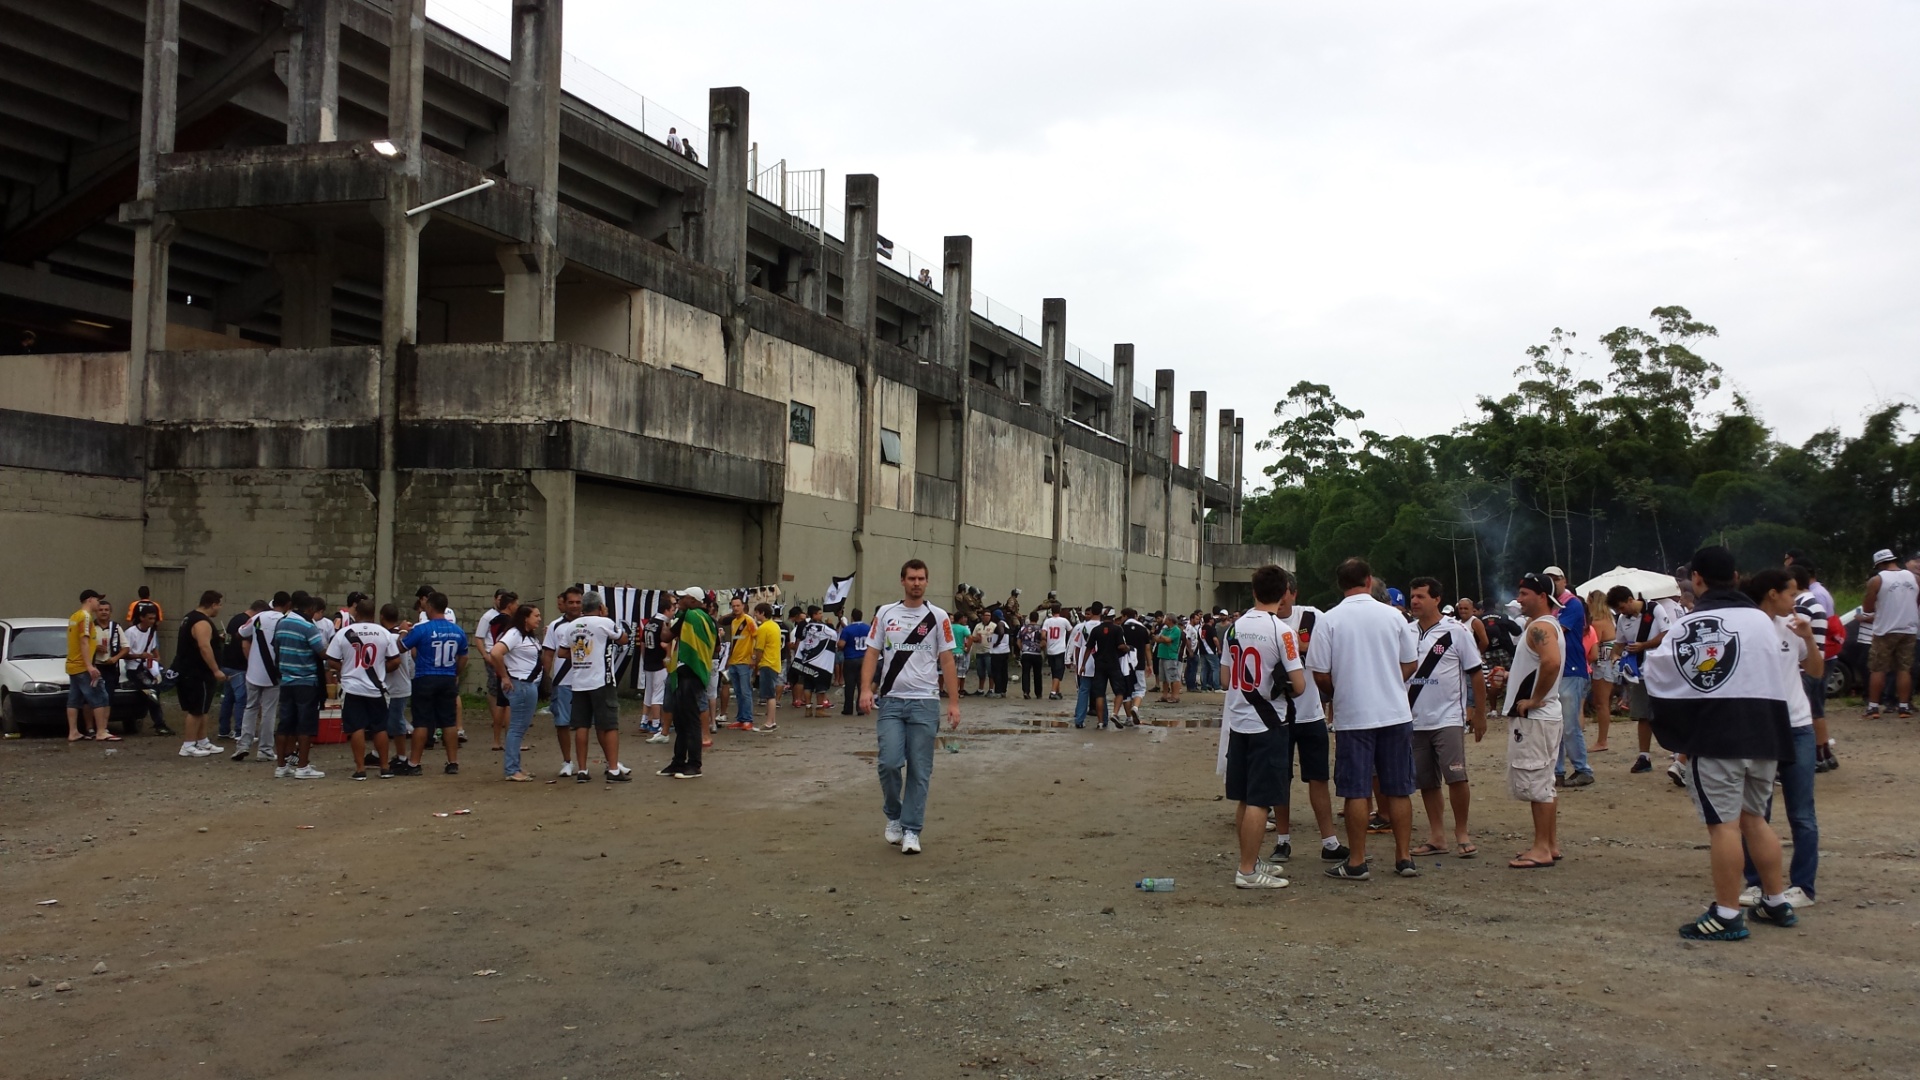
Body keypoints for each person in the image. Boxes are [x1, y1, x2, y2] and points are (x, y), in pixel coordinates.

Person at [1645, 546, 1798, 940]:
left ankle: (1728, 913)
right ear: (1735, 575)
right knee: (1755, 819)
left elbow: (1660, 675)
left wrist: (1682, 730)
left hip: (1718, 735)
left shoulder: (1690, 623)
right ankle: (1776, 900)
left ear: (1696, 579)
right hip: (1764, 730)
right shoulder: (1762, 620)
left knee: (1724, 827)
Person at [1306, 557, 1420, 882]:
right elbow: (1410, 664)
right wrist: (1388, 681)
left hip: (1354, 715)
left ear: (1340, 584)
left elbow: (1320, 673)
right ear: (1369, 581)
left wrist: (1343, 688)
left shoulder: (1329, 620)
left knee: (1356, 790)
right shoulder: (1393, 617)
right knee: (1398, 788)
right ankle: (1404, 857)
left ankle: (1357, 861)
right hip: (1395, 712)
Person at [859, 559, 962, 855]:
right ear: (902, 581)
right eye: (911, 578)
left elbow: (947, 660)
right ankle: (894, 815)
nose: (916, 583)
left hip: (925, 702)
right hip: (891, 701)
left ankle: (912, 830)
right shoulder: (886, 613)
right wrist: (866, 689)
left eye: (921, 578)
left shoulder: (938, 616)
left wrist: (953, 703)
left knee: (919, 770)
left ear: (927, 582)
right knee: (889, 763)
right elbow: (872, 653)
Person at [1736, 568, 1821, 911]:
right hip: (1762, 728)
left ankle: (1803, 885)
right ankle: (1757, 883)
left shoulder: (1794, 626)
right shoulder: (1747, 626)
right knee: (1757, 812)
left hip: (1798, 726)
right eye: (1790, 593)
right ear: (1772, 594)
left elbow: (1815, 672)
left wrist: (1810, 638)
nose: (1795, 600)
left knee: (1802, 812)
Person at [1221, 565, 1307, 889]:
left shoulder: (1233, 627)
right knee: (1261, 799)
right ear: (1285, 592)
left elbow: (1225, 679)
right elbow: (1298, 684)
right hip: (1269, 722)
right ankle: (1246, 870)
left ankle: (1251, 859)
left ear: (1253, 590)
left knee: (1245, 797)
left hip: (1239, 720)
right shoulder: (1282, 631)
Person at [1405, 577, 1485, 858]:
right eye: (1412, 596)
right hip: (1414, 718)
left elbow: (1475, 672)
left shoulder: (1457, 632)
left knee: (1456, 776)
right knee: (1426, 781)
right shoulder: (1406, 632)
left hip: (1448, 716)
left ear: (1437, 599)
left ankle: (1462, 832)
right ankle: (1437, 836)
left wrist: (1480, 713)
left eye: (1421, 596)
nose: (1414, 601)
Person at [1272, 576, 1343, 865]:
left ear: (1293, 593)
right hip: (1277, 715)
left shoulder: (1312, 616)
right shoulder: (1265, 622)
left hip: (1311, 712)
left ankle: (1329, 841)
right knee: (1280, 779)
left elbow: (1327, 648)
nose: (1279, 601)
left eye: (1283, 594)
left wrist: (1301, 649)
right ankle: (1282, 841)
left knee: (1318, 778)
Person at [1505, 575, 1565, 869]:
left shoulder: (1540, 626)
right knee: (1545, 781)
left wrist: (1535, 699)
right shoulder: (1546, 625)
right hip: (1545, 716)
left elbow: (1551, 662)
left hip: (1536, 718)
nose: (1519, 598)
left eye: (1524, 593)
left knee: (1536, 780)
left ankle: (1541, 847)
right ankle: (1549, 844)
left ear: (1542, 596)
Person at [1609, 586, 1683, 779]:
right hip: (1638, 672)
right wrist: (1616, 657)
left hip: (1660, 668)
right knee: (1643, 714)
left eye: (1621, 607)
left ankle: (1678, 753)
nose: (1621, 612)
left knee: (1667, 711)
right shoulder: (1623, 620)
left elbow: (1667, 634)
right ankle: (1644, 756)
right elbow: (1618, 643)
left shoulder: (1655, 609)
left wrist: (1644, 645)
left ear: (1629, 599)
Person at [327, 596, 401, 781]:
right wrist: (381, 670)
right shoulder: (383, 633)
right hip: (377, 688)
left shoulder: (344, 632)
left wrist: (345, 669)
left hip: (352, 688)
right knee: (380, 728)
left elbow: (331, 660)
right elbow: (395, 660)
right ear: (374, 614)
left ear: (357, 612)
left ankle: (360, 769)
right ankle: (385, 767)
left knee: (357, 728)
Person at [563, 592, 631, 782]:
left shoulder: (571, 626)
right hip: (601, 681)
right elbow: (623, 638)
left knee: (582, 725)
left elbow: (564, 651)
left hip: (578, 682)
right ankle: (613, 770)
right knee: (609, 725)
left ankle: (583, 770)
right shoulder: (605, 622)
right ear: (600, 607)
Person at [400, 591, 469, 776]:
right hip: (447, 677)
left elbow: (402, 646)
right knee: (449, 722)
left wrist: (403, 631)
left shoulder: (422, 629)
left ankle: (414, 763)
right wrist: (455, 672)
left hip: (425, 677)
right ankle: (453, 762)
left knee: (422, 721)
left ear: (429, 607)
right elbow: (464, 656)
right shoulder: (458, 631)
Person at [1543, 566, 1595, 788]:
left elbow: (1555, 631)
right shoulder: (1554, 606)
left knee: (1570, 724)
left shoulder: (1571, 603)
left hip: (1571, 669)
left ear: (1564, 580)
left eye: (1556, 578)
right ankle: (1559, 770)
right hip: (1561, 670)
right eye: (1549, 580)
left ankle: (1582, 769)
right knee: (1559, 723)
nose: (1554, 582)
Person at [271, 594, 330, 779]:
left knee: (285, 724)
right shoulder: (308, 627)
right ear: (309, 609)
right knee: (306, 725)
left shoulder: (281, 623)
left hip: (287, 681)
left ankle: (281, 766)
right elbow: (322, 653)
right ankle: (302, 766)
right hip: (306, 681)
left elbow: (277, 648)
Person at [1788, 564, 1839, 772]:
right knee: (1817, 711)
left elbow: (1794, 636)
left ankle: (1815, 755)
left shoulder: (1801, 605)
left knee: (1809, 713)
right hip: (1820, 659)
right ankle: (1823, 753)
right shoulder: (1815, 602)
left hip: (1807, 664)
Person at [663, 587, 717, 778]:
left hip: (690, 672)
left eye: (683, 597)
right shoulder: (708, 619)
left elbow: (665, 637)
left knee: (689, 721)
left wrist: (667, 619)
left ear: (693, 600)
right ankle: (678, 762)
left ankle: (693, 764)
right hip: (692, 672)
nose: (679, 600)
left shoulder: (691, 616)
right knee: (682, 720)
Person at [233, 592, 291, 762]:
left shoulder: (258, 617)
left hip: (253, 671)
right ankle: (265, 749)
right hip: (274, 673)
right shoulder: (285, 621)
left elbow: (241, 633)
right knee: (269, 711)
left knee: (250, 708)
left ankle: (243, 745)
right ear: (287, 605)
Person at [489, 604, 545, 782]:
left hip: (527, 685)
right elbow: (496, 652)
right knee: (516, 728)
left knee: (519, 727)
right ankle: (512, 769)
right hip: (520, 684)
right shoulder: (515, 634)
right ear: (525, 618)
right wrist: (504, 677)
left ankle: (515, 766)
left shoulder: (527, 636)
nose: (539, 618)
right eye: (536, 615)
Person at [169, 591, 227, 756]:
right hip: (196, 672)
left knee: (203, 708)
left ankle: (202, 741)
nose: (220, 608)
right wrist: (216, 669)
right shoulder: (201, 621)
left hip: (196, 671)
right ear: (213, 604)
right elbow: (204, 646)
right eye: (220, 604)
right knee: (195, 710)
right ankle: (188, 745)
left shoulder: (190, 617)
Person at [1862, 548, 1917, 718]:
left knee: (1878, 669)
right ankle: (1903, 707)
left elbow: (1867, 608)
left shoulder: (1877, 580)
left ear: (1879, 564)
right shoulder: (1913, 577)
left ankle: (1873, 708)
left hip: (1885, 630)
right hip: (1909, 629)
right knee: (1903, 669)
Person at [540, 587, 583, 776]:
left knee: (594, 724)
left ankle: (607, 762)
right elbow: (548, 653)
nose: (574, 605)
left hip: (587, 682)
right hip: (563, 682)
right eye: (571, 602)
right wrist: (546, 678)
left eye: (578, 602)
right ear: (563, 603)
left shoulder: (592, 623)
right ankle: (567, 762)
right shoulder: (555, 626)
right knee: (562, 723)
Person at [122, 600, 173, 739]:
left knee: (158, 687)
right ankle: (159, 724)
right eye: (149, 618)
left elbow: (152, 648)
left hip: (147, 667)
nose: (152, 621)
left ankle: (156, 721)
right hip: (134, 669)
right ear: (141, 618)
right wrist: (140, 655)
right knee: (151, 693)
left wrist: (156, 658)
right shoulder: (131, 633)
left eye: (154, 618)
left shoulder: (151, 632)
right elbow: (123, 653)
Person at [65, 590, 111, 742]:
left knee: (74, 699)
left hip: (72, 665)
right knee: (99, 697)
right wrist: (89, 665)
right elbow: (84, 641)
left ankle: (73, 732)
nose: (99, 604)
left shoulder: (74, 616)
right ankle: (101, 731)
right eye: (98, 600)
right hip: (82, 666)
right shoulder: (85, 617)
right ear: (90, 599)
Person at [216, 600, 264, 741]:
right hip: (239, 666)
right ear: (259, 612)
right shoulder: (248, 622)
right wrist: (251, 663)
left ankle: (224, 730)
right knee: (242, 699)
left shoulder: (235, 618)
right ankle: (240, 731)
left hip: (227, 664)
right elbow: (245, 645)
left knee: (228, 699)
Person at [378, 603, 414, 777]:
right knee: (388, 721)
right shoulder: (399, 637)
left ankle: (402, 757)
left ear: (382, 617)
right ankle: (384, 754)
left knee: (396, 722)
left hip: (396, 686)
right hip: (399, 684)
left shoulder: (391, 638)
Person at [793, 605, 838, 719]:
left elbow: (801, 640)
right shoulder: (823, 628)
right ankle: (819, 708)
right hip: (819, 662)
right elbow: (834, 635)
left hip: (807, 659)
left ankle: (808, 708)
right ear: (814, 615)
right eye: (819, 613)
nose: (821, 615)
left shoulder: (805, 626)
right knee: (820, 686)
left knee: (808, 685)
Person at [640, 602, 672, 743]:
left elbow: (642, 643)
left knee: (649, 691)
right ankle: (656, 724)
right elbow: (666, 643)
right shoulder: (663, 625)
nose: (673, 612)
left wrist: (644, 658)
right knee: (658, 694)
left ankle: (644, 720)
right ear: (666, 610)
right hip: (659, 662)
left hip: (648, 661)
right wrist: (668, 656)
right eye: (672, 609)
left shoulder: (649, 623)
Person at [750, 602, 783, 731]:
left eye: (757, 613)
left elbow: (759, 649)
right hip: (775, 663)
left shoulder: (763, 628)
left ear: (762, 613)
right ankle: (772, 721)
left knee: (769, 695)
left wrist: (755, 664)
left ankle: (769, 722)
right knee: (771, 693)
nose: (756, 616)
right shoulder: (775, 626)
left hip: (767, 663)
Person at [839, 608, 870, 715]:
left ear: (852, 617)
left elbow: (841, 644)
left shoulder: (847, 629)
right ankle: (861, 708)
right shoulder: (868, 628)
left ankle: (848, 708)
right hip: (864, 659)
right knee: (862, 684)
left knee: (849, 685)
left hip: (850, 659)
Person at [1042, 604, 1072, 700]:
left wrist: (1046, 641)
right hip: (1060, 649)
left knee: (1054, 671)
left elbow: (1043, 634)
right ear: (1059, 610)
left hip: (1050, 650)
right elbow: (1071, 631)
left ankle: (1058, 691)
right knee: (1059, 672)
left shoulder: (1047, 621)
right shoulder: (1064, 621)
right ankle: (1053, 692)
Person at [1155, 613, 1185, 704]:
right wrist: (1163, 639)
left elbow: (1168, 640)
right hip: (1162, 655)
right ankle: (1165, 695)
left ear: (1170, 620)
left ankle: (1175, 696)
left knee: (1173, 677)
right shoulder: (1165, 629)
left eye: (1166, 619)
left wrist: (1163, 638)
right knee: (1164, 678)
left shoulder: (1176, 630)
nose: (1164, 620)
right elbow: (1157, 639)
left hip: (1170, 656)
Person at [1017, 612, 1044, 700]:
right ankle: (1038, 693)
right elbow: (1044, 641)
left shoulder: (1023, 628)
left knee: (1025, 673)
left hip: (1026, 653)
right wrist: (1040, 648)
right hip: (1036, 653)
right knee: (1037, 674)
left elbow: (1018, 641)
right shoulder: (1040, 629)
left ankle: (1026, 691)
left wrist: (1022, 648)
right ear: (1037, 618)